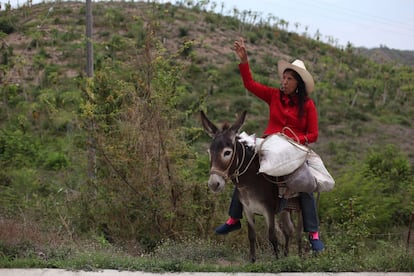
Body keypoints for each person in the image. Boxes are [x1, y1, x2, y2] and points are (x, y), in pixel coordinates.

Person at [214, 38, 324, 253]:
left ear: (298, 83)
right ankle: (234, 218)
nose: (283, 81)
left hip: (295, 149)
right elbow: (250, 85)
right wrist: (244, 61)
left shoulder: (308, 105)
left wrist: (296, 139)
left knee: (306, 182)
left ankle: (313, 234)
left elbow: (314, 134)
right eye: (283, 77)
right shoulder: (274, 96)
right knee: (242, 166)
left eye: (288, 78)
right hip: (271, 144)